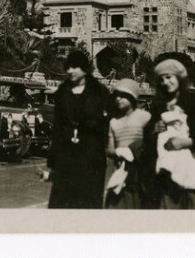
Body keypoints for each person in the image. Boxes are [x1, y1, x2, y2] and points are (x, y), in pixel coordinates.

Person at [144, 53, 195, 210]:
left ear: (179, 78)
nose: (166, 82)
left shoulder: (194, 102)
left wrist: (186, 142)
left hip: (190, 165)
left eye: (169, 77)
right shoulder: (158, 105)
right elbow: (148, 136)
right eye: (162, 79)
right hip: (164, 167)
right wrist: (154, 129)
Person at [39, 49, 110, 209]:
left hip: (91, 155)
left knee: (87, 201)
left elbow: (106, 123)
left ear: (84, 69)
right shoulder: (62, 92)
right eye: (68, 67)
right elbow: (58, 127)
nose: (70, 71)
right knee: (63, 200)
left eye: (74, 67)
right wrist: (54, 160)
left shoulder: (99, 92)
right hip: (66, 155)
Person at [104, 78, 151, 209]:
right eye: (116, 96)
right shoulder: (114, 122)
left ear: (132, 97)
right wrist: (120, 152)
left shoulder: (144, 117)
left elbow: (150, 144)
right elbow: (110, 150)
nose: (118, 99)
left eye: (123, 95)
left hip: (140, 172)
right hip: (121, 174)